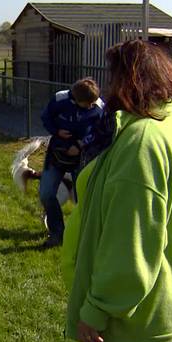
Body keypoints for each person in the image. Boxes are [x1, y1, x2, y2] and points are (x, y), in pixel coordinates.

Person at [62, 40, 172, 342]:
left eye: (115, 77)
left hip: (126, 310)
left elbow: (131, 244)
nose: (109, 88)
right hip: (149, 297)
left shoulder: (143, 141)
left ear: (129, 80)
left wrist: (97, 308)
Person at [39, 78, 104, 248]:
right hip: (56, 154)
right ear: (75, 99)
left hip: (81, 157)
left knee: (82, 198)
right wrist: (56, 131)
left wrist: (81, 144)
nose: (90, 106)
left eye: (92, 103)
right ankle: (57, 233)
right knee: (46, 193)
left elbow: (101, 131)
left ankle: (83, 236)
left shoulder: (98, 106)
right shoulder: (60, 100)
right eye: (86, 104)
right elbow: (45, 117)